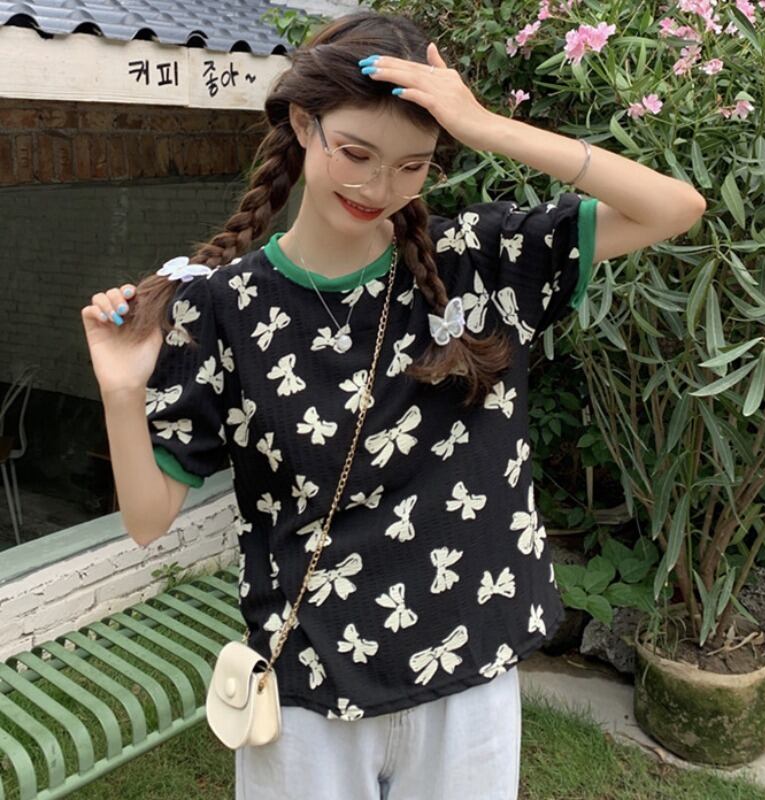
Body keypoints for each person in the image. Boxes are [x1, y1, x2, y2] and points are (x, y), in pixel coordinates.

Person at [81, 8, 705, 799]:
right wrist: (121, 393)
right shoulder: (220, 309)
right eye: (356, 153)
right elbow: (146, 520)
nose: (378, 188)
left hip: (468, 674)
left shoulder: (480, 262)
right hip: (307, 691)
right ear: (303, 124)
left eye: (413, 165)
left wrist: (487, 127)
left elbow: (673, 207)